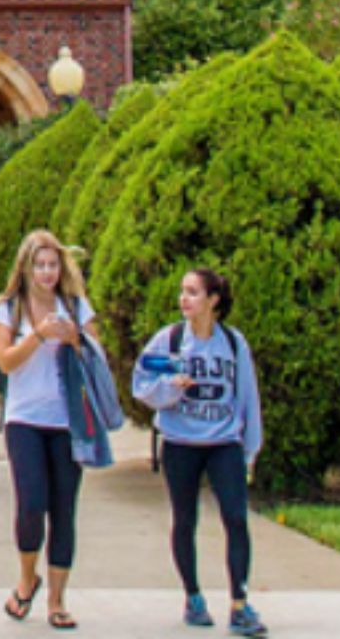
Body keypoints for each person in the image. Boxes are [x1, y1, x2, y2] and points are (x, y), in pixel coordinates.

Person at [133, 268, 266, 637]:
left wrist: (249, 449)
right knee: (184, 519)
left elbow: (247, 398)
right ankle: (193, 596)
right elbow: (141, 384)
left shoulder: (234, 344)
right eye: (182, 292)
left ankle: (240, 603)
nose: (184, 299)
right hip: (180, 443)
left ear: (213, 300)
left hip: (224, 442)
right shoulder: (169, 340)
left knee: (236, 518)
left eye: (193, 292)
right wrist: (170, 388)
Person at [0, 230, 97, 631]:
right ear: (26, 267)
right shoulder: (7, 310)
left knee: (64, 509)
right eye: (40, 265)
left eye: (53, 265)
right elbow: (5, 361)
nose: (47, 273)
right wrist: (38, 335)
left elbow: (97, 358)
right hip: (24, 419)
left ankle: (57, 599)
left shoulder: (77, 307)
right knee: (31, 504)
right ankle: (26, 576)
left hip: (67, 419)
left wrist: (75, 339)